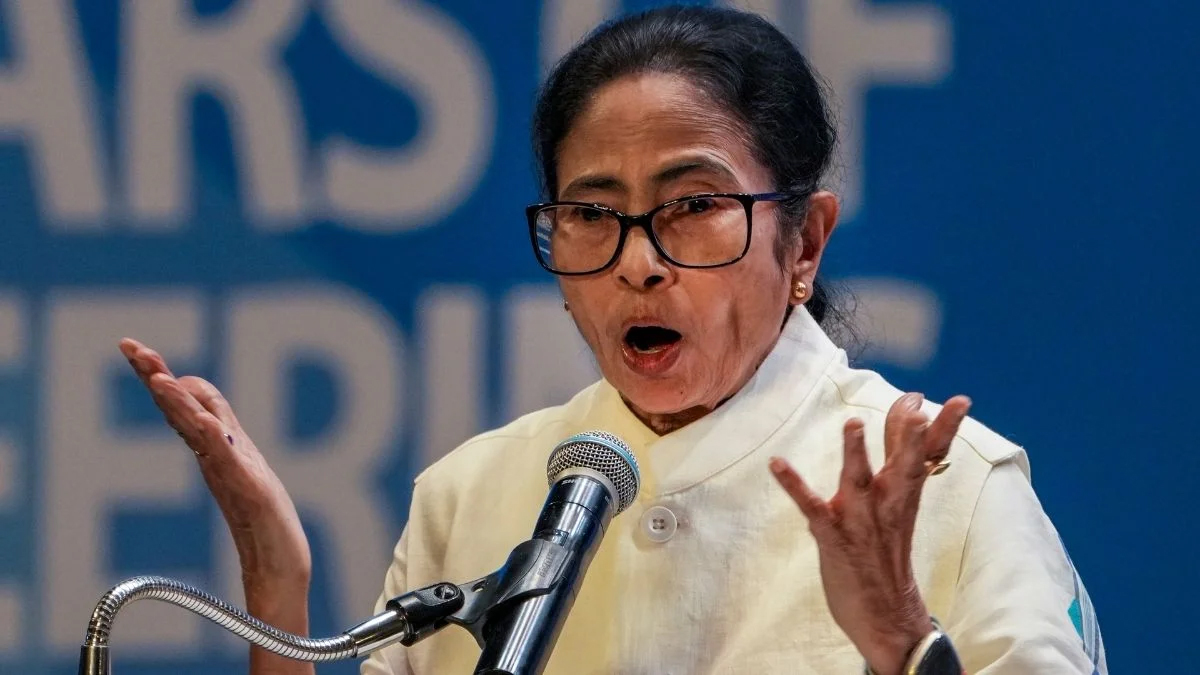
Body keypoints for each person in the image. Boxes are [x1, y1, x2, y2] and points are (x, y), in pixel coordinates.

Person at [119, 6, 1106, 674]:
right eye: (592, 214)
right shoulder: (471, 496)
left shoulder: (949, 487)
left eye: (694, 205)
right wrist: (278, 587)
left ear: (804, 241)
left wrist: (901, 638)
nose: (638, 262)